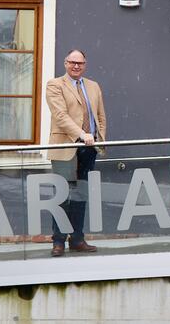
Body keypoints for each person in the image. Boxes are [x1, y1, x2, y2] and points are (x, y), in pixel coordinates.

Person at [46, 49, 106, 257]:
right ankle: (58, 241)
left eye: (80, 63)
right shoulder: (55, 85)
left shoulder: (93, 86)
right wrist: (82, 134)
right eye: (72, 62)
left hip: (89, 149)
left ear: (85, 64)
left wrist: (99, 139)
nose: (76, 66)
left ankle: (77, 239)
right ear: (65, 63)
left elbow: (100, 116)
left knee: (80, 195)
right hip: (64, 147)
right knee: (62, 196)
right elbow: (60, 116)